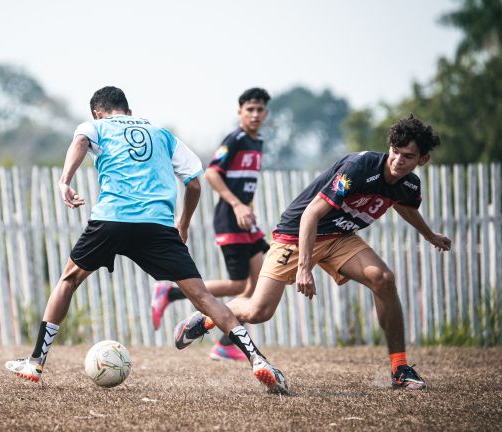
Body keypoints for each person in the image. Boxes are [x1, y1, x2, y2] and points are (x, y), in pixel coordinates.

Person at [4, 86, 289, 395]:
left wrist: (65, 181)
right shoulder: (162, 134)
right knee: (204, 298)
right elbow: (194, 183)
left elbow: (81, 141)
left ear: (98, 112)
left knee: (68, 280)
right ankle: (258, 359)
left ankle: (35, 361)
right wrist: (183, 223)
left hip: (111, 219)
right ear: (127, 109)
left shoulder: (95, 126)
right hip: (158, 226)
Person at [174, 114, 451, 390]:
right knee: (259, 311)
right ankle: (208, 317)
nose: (398, 160)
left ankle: (400, 369)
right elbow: (311, 214)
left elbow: (403, 204)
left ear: (422, 159)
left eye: (408, 156)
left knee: (383, 278)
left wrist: (429, 235)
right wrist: (304, 268)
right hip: (296, 234)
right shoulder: (360, 168)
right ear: (389, 146)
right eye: (395, 152)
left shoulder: (409, 184)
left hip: (339, 238)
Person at [151, 88, 271, 362]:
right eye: (249, 109)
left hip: (247, 222)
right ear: (240, 112)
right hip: (230, 219)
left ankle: (225, 345)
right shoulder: (237, 139)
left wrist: (248, 209)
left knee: (255, 285)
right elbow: (213, 174)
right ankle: (170, 292)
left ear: (266, 113)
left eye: (259, 110)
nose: (254, 114)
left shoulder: (258, 141)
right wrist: (238, 205)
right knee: (239, 284)